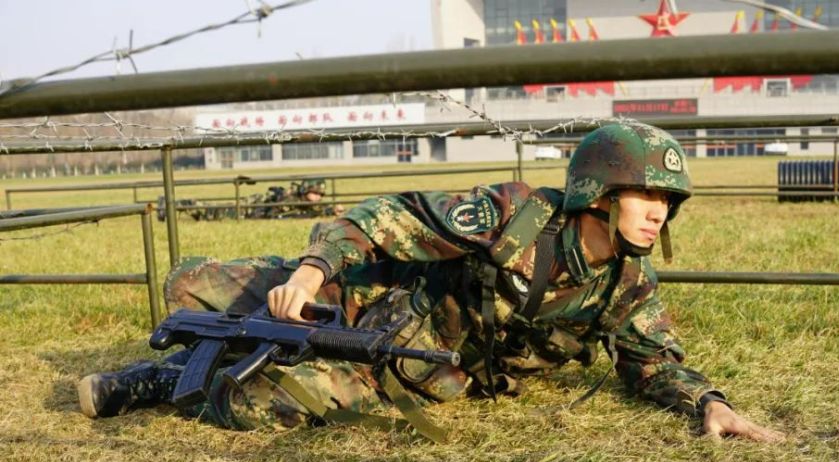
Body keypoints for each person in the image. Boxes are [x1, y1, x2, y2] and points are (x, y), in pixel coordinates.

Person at [78, 121, 784, 443]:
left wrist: (707, 401)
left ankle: (150, 382)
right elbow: (390, 215)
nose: (658, 211)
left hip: (411, 367)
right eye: (645, 194)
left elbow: (653, 357)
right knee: (192, 284)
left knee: (268, 403)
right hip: (370, 297)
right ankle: (203, 340)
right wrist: (313, 266)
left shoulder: (627, 281)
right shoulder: (515, 217)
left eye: (667, 200)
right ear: (599, 193)